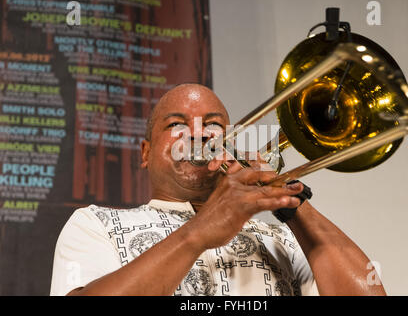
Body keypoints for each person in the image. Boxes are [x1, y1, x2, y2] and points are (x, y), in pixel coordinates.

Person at [50, 83, 385, 296]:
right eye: (177, 124)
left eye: (213, 125)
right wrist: (200, 230)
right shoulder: (95, 224)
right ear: (146, 152)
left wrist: (291, 201)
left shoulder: (282, 240)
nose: (198, 134)